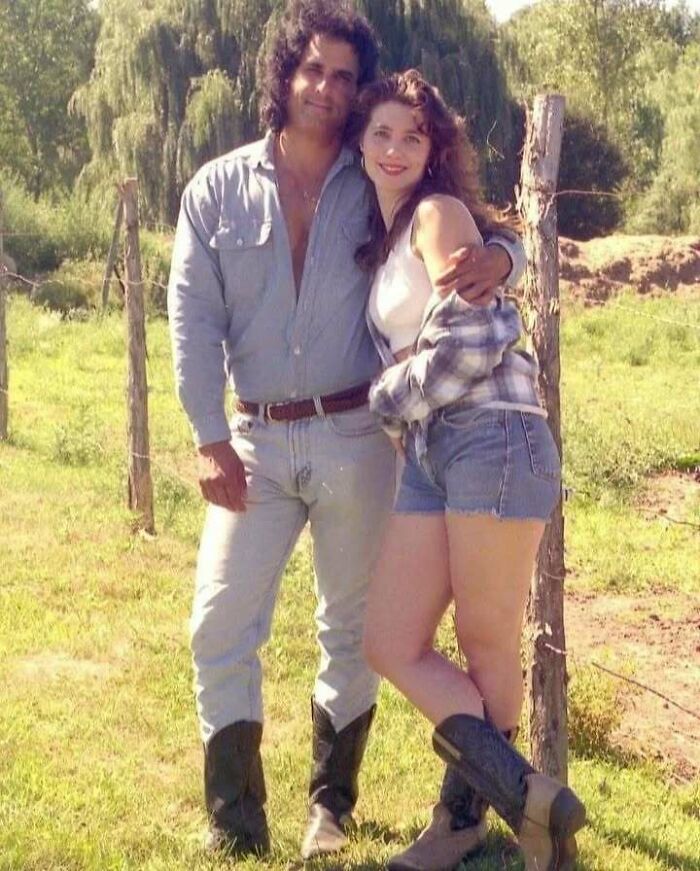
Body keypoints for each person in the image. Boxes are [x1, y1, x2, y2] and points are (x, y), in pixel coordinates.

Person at [167, 0, 525, 860]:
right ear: (284, 76)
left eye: (342, 76)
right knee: (219, 619)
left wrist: (505, 256)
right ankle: (234, 818)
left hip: (358, 432)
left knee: (351, 623)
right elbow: (191, 316)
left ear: (356, 89)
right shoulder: (215, 189)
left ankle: (329, 807)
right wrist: (208, 435)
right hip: (253, 440)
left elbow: (468, 225)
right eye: (312, 69)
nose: (325, 87)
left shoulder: (377, 180)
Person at [355, 70, 587, 871]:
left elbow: (475, 342)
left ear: (435, 148)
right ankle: (532, 798)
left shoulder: (436, 213)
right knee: (390, 640)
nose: (394, 149)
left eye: (412, 136)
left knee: (487, 645)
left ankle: (460, 825)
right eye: (381, 133)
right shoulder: (392, 234)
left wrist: (382, 400)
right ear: (361, 142)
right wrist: (507, 253)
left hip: (494, 436)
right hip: (435, 450)